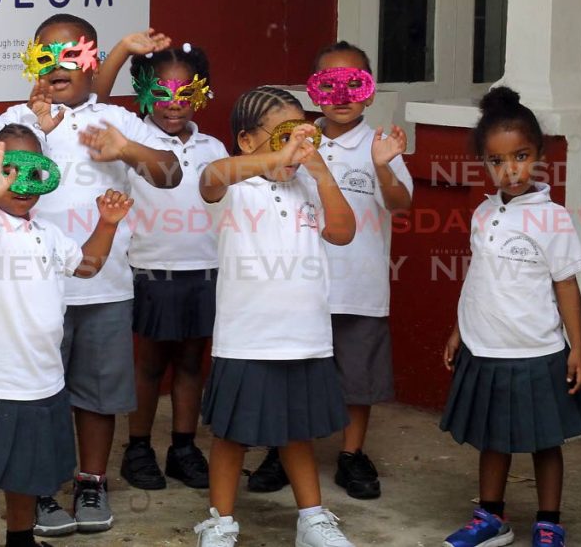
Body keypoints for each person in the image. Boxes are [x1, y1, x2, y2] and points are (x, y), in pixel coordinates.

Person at [0, 14, 181, 536]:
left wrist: (124, 148)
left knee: (98, 395)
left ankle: (91, 481)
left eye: (70, 55)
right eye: (45, 56)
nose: (58, 66)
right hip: (33, 296)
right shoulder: (13, 120)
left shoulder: (117, 120)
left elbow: (170, 174)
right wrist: (40, 124)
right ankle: (37, 490)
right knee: (38, 397)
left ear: (91, 60)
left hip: (102, 283)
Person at [0, 127, 133, 547]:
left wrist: (107, 224)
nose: (18, 183)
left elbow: (88, 266)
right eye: (6, 171)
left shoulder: (48, 232)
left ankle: (21, 539)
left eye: (31, 172)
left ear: (47, 174)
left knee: (26, 470)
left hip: (44, 381)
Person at [193, 86, 357, 547]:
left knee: (296, 430)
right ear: (247, 141)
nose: (297, 145)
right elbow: (211, 175)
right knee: (232, 433)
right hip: (246, 336)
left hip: (304, 334)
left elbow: (343, 232)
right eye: (285, 133)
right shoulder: (236, 189)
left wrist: (321, 171)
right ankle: (220, 522)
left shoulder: (307, 183)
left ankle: (312, 519)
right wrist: (273, 160)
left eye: (305, 134)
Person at [249, 42, 412, 498]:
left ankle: (351, 454)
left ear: (371, 89)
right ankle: (281, 451)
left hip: (359, 287)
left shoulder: (382, 145)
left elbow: (400, 206)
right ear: (312, 90)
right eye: (329, 84)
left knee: (357, 381)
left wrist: (382, 168)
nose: (341, 95)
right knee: (290, 372)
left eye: (354, 84)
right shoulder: (294, 138)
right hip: (298, 286)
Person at [439, 86, 581, 547]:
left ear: (540, 154)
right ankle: (491, 519)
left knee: (546, 441)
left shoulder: (553, 219)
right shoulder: (485, 213)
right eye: (496, 161)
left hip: (538, 349)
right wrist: (457, 329)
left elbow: (566, 285)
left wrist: (578, 349)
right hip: (485, 345)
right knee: (494, 436)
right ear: (484, 163)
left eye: (521, 156)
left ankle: (549, 521)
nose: (510, 170)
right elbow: (479, 276)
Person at [96, 38, 226, 491]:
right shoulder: (134, 138)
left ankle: (184, 448)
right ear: (143, 92)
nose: (174, 104)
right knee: (149, 364)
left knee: (192, 361)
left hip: (205, 267)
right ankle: (138, 448)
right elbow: (96, 99)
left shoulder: (214, 147)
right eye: (162, 93)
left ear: (201, 93)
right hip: (151, 268)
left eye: (186, 93)